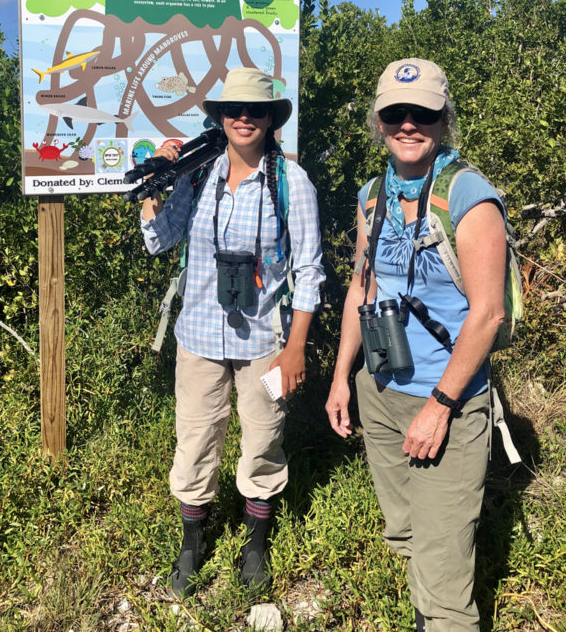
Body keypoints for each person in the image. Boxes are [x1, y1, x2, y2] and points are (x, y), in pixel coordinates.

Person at [325, 58, 507, 632]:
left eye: (423, 112)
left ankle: (440, 618)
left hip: (445, 401)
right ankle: (420, 611)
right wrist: (341, 378)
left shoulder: (468, 196)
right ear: (379, 121)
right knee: (405, 532)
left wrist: (440, 407)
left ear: (443, 118)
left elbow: (488, 314)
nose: (409, 123)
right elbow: (364, 285)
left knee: (446, 567)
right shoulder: (372, 194)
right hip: (380, 389)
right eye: (395, 113)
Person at [141, 67, 324, 596]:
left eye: (256, 110)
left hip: (265, 346)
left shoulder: (293, 183)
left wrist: (295, 349)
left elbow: (309, 271)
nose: (245, 118)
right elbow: (160, 241)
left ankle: (255, 542)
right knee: (195, 440)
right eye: (233, 109)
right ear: (220, 117)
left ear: (271, 119)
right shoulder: (196, 177)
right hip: (197, 337)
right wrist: (157, 185)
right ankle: (192, 542)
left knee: (264, 439)